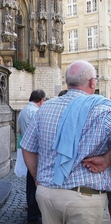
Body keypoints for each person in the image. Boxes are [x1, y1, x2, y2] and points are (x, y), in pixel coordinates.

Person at [21, 60, 111, 224]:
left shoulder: (45, 108)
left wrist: (37, 177)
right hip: (85, 198)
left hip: (47, 195)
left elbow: (27, 148)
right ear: (92, 82)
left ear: (67, 82)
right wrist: (106, 159)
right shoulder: (103, 110)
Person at [18, 89, 46, 224]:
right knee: (35, 184)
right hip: (35, 152)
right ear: (41, 100)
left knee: (30, 183)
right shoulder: (35, 112)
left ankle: (31, 208)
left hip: (29, 151)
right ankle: (34, 214)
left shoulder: (23, 110)